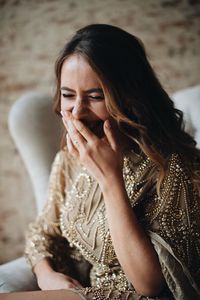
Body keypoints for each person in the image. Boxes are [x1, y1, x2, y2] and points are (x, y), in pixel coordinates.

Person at [22, 24, 200, 299]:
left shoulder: (175, 167)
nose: (77, 112)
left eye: (95, 96)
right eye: (68, 95)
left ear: (130, 97)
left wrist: (110, 177)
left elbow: (151, 286)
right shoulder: (71, 157)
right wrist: (46, 275)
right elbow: (43, 232)